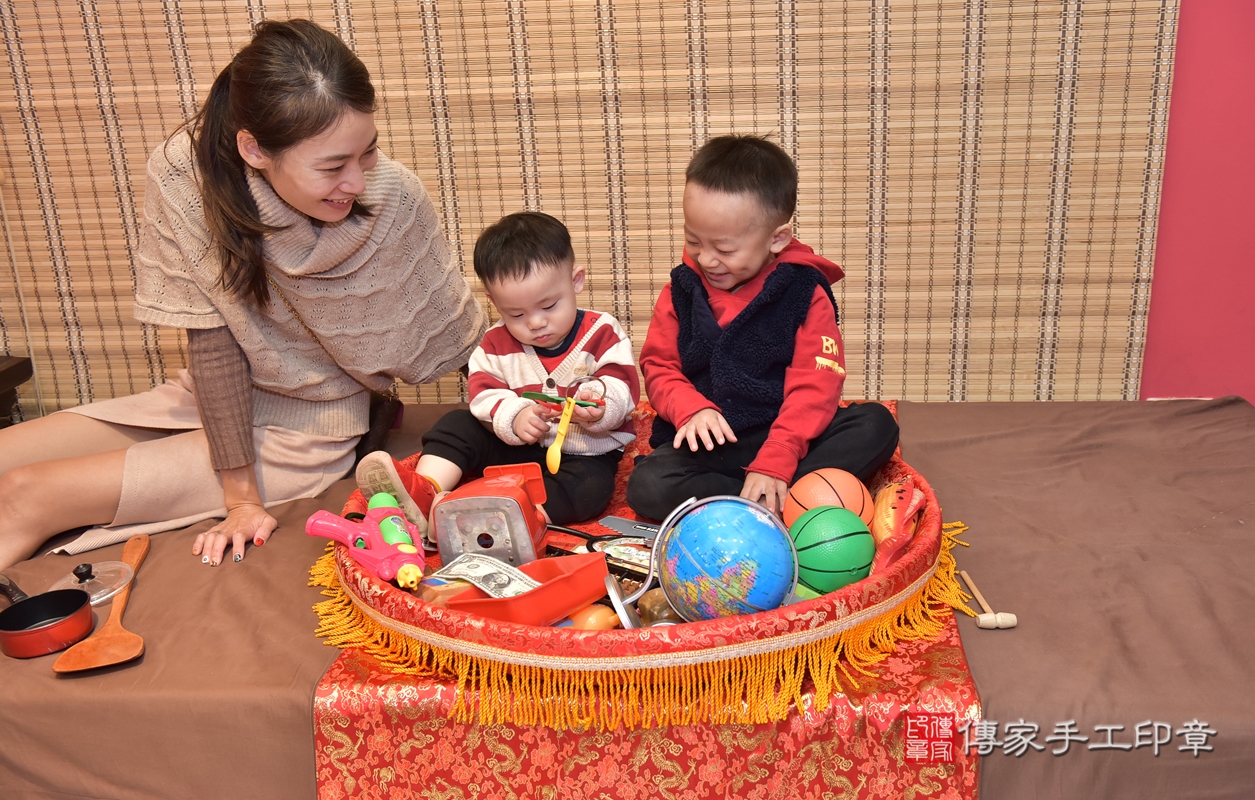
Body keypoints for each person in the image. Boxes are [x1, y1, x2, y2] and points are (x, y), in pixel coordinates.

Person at [0, 20, 486, 571]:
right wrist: (240, 497)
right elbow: (213, 339)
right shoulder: (186, 173)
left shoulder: (394, 197)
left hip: (309, 428)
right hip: (211, 400)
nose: (356, 181)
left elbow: (462, 343)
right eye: (332, 166)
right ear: (253, 149)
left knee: (24, 494)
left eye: (367, 152)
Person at [625, 134, 899, 521]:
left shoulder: (804, 292)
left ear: (777, 239)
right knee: (649, 487)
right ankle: (779, 502)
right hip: (715, 442)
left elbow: (815, 386)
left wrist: (779, 456)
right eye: (693, 240)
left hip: (787, 433)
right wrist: (690, 411)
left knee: (877, 424)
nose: (706, 259)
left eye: (725, 248)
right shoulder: (680, 290)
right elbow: (658, 366)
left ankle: (771, 491)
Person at [355, 211, 639, 528]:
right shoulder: (493, 343)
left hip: (584, 453)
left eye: (549, 306)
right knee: (456, 424)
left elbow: (622, 389)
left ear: (576, 281)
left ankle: (524, 520)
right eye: (516, 313)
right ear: (495, 302)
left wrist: (600, 408)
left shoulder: (602, 332)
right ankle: (425, 492)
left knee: (590, 489)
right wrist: (514, 416)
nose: (535, 323)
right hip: (517, 449)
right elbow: (484, 396)